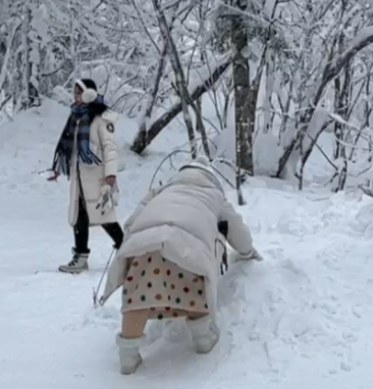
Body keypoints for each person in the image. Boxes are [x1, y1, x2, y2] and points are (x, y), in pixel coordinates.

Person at [96, 156, 262, 374]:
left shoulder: (160, 191)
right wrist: (248, 252)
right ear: (210, 178)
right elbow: (236, 230)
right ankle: (202, 337)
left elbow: (131, 222)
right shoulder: (214, 195)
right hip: (187, 249)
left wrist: (132, 244)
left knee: (137, 297)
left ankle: (128, 354)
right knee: (193, 285)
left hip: (145, 247)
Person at [47, 79, 124, 273]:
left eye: (80, 93)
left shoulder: (100, 118)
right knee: (79, 216)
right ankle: (80, 257)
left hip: (97, 178)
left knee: (106, 217)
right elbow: (70, 148)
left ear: (90, 93)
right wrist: (58, 169)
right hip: (80, 179)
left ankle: (126, 251)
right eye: (75, 93)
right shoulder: (75, 118)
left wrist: (111, 175)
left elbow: (110, 148)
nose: (77, 97)